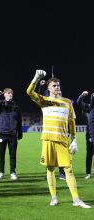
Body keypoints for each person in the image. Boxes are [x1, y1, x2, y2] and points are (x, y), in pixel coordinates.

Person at [26, 70, 90, 208]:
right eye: (54, 85)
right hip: (48, 140)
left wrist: (74, 140)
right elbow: (29, 92)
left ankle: (76, 200)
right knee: (50, 169)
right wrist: (36, 79)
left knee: (68, 169)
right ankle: (54, 198)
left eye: (58, 85)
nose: (57, 87)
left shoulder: (67, 102)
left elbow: (71, 122)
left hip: (62, 141)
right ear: (48, 88)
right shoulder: (44, 101)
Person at [0, 88, 22, 180]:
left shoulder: (16, 106)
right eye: (8, 93)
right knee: (1, 154)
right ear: (4, 94)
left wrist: (20, 133)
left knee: (13, 155)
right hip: (2, 133)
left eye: (11, 93)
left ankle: (12, 172)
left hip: (13, 134)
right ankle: (1, 172)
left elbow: (19, 121)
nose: (10, 94)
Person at [38, 80, 66, 180]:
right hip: (50, 134)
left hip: (61, 134)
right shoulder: (48, 104)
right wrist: (41, 86)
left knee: (61, 156)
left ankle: (62, 173)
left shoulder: (65, 104)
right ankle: (49, 174)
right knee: (49, 156)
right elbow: (39, 96)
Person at [76, 91, 93, 180]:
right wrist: (82, 95)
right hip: (89, 134)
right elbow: (78, 102)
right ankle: (88, 173)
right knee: (89, 154)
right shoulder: (88, 107)